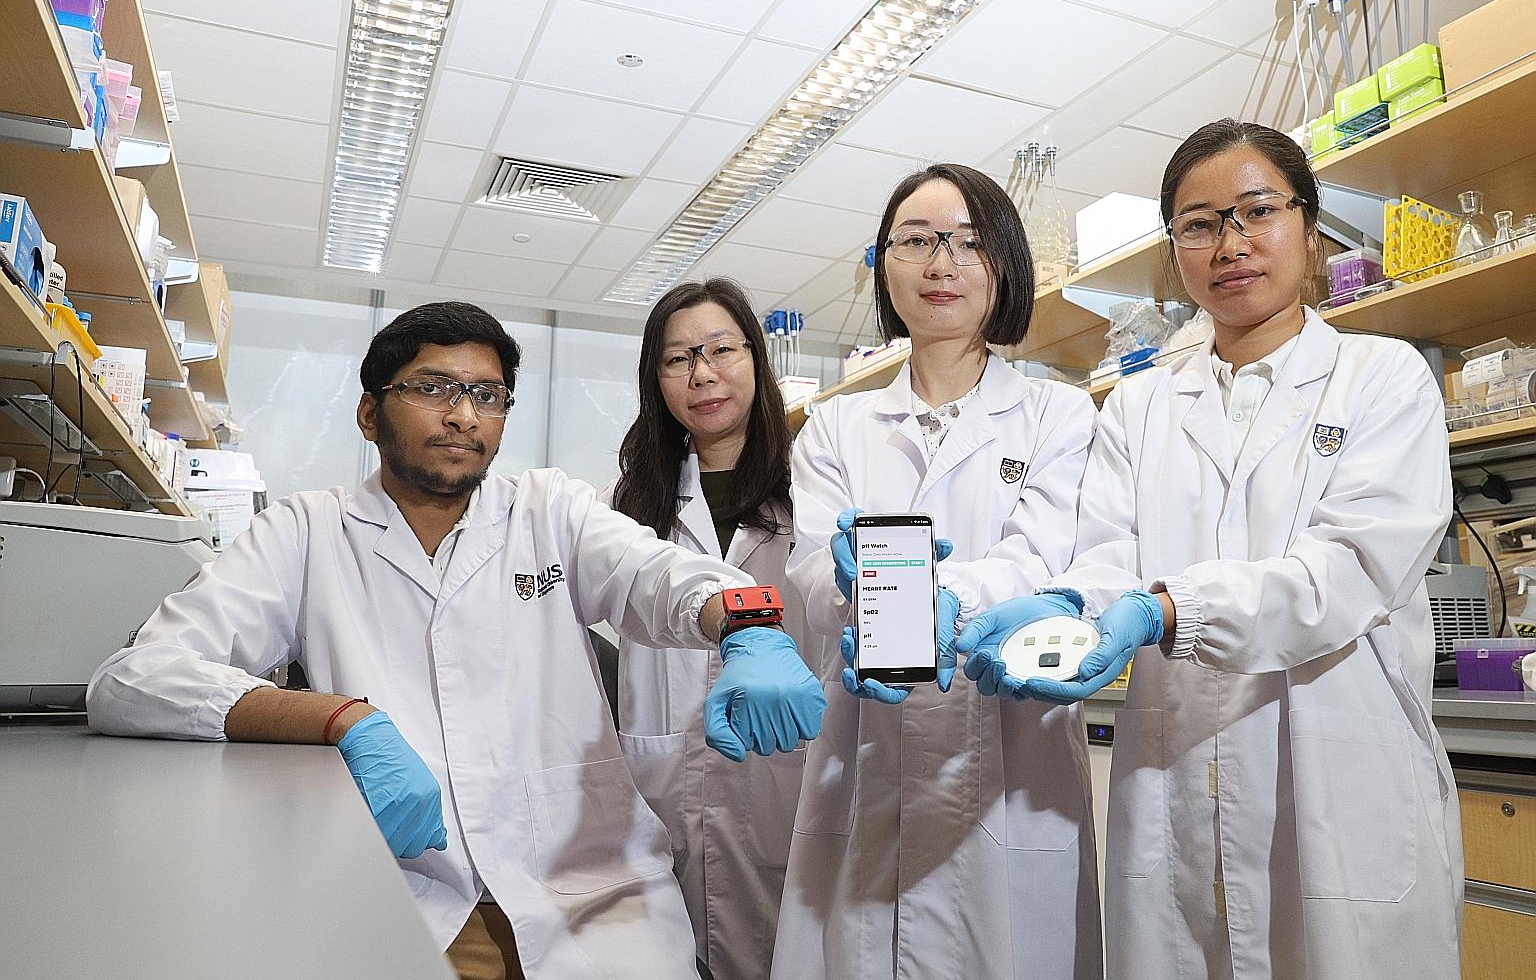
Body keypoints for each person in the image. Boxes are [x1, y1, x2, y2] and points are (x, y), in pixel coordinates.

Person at [87, 301, 826, 980]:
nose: (463, 415)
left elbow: (660, 577)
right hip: (413, 898)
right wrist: (341, 721)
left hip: (596, 902)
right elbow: (133, 681)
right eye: (433, 388)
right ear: (370, 414)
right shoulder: (308, 530)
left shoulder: (547, 510)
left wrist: (748, 626)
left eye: (487, 395)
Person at [960, 120, 1463, 980]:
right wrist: (1064, 609)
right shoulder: (1137, 407)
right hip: (1177, 780)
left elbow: (1344, 574)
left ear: (1309, 230)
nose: (1230, 243)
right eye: (1199, 224)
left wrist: (1165, 610)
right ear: (1176, 252)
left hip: (1341, 779)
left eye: (1256, 211)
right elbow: (1106, 555)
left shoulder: (1384, 379)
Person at [778, 164, 1102, 979]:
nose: (939, 264)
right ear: (883, 265)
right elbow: (811, 569)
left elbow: (1040, 556)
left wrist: (929, 601)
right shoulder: (835, 426)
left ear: (1004, 264)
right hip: (866, 745)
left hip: (1009, 752)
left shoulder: (1057, 413)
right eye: (915, 241)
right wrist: (848, 581)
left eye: (966, 242)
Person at [605, 277, 806, 980]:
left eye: (722, 349)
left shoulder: (813, 488)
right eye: (678, 359)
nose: (703, 374)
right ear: (656, 380)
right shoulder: (628, 504)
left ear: (757, 358)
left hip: (783, 774)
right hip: (667, 782)